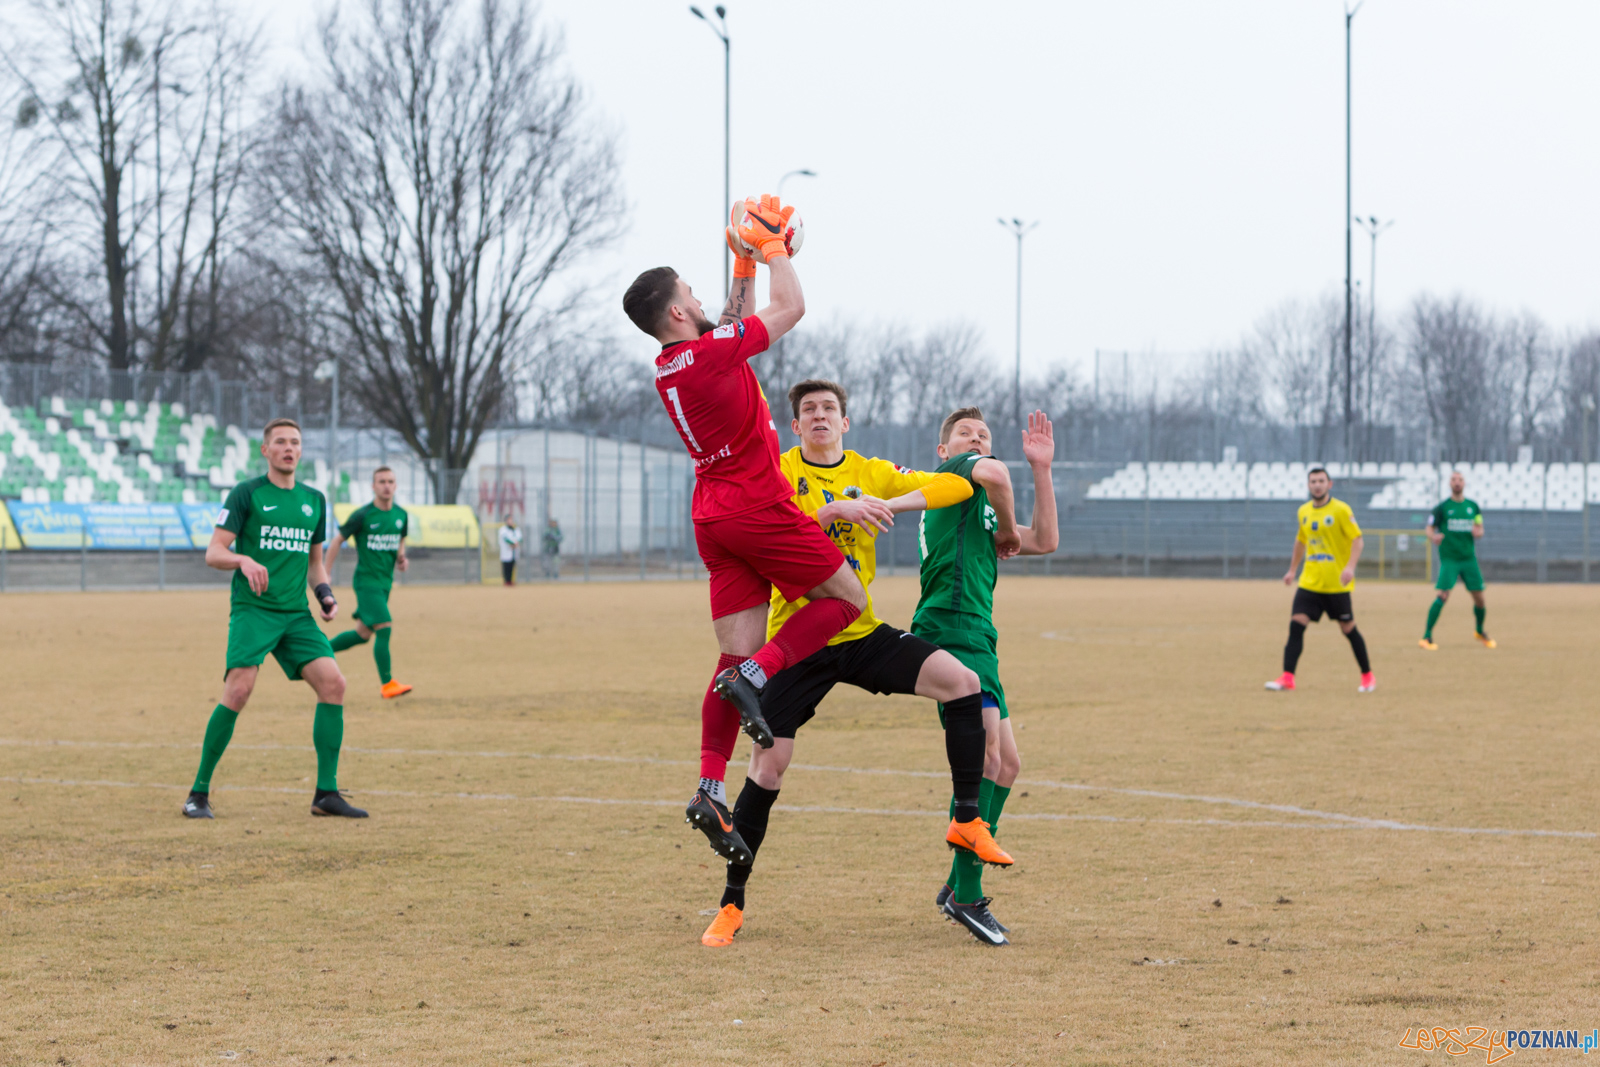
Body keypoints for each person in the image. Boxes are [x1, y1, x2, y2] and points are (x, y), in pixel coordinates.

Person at [627, 195, 929, 868]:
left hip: (712, 513)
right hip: (757, 503)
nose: (702, 299)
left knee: (730, 656)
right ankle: (761, 673)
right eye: (691, 293)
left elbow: (729, 323)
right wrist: (773, 248)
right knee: (847, 600)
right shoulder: (706, 359)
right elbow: (789, 308)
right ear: (677, 312)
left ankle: (709, 785)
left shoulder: (677, 362)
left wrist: (739, 261)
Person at [700, 381, 1012, 950]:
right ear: (795, 426)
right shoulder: (777, 472)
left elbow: (946, 483)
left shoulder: (871, 470)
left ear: (846, 421)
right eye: (809, 411)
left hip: (860, 632)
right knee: (768, 770)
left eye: (829, 409)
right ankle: (730, 903)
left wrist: (892, 501)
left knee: (963, 685)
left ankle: (966, 818)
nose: (820, 416)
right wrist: (831, 511)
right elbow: (768, 535)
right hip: (796, 642)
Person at [913, 407, 1058, 945]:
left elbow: (1044, 540)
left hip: (978, 634)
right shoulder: (952, 481)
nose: (977, 441)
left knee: (1008, 763)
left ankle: (956, 884)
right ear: (944, 451)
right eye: (966, 436)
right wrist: (1001, 488)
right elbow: (995, 475)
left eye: (985, 436)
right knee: (988, 757)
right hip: (950, 627)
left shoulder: (981, 506)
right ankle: (968, 898)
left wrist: (1040, 468)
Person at [182, 418, 365, 820]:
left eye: (295, 442)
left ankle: (326, 793)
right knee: (239, 691)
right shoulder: (247, 494)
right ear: (265, 450)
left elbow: (315, 564)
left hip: (295, 615)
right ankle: (198, 792)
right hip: (254, 610)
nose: (288, 448)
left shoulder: (314, 500)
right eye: (280, 442)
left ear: (301, 451)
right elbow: (213, 552)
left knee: (334, 683)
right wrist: (243, 558)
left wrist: (325, 594)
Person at [1265, 466, 1375, 693]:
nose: (1317, 485)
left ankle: (1367, 676)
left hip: (1337, 584)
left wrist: (1350, 568)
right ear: (1308, 485)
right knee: (1296, 625)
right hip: (1310, 582)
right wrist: (1292, 570)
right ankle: (1288, 677)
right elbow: (1300, 541)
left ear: (1329, 484)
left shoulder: (1341, 510)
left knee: (1348, 629)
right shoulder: (1303, 511)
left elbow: (1358, 540)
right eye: (1313, 481)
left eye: (1321, 481)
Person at [325, 466, 413, 699]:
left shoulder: (401, 515)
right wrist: (325, 573)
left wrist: (401, 558)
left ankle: (318, 651)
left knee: (363, 634)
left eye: (390, 481)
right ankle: (388, 684)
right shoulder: (362, 515)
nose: (386, 485)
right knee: (384, 626)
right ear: (373, 486)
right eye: (381, 481)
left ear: (396, 486)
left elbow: (400, 539)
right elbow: (336, 541)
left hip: (385, 583)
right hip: (366, 582)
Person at [1420, 470, 1493, 650]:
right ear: (1449, 484)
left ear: (1464, 483)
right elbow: (1429, 529)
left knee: (1480, 599)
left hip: (1469, 559)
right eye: (1454, 479)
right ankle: (1426, 636)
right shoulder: (1442, 508)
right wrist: (1433, 537)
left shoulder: (1473, 507)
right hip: (1450, 560)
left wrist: (1479, 532)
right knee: (1443, 595)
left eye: (1460, 479)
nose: (1457, 482)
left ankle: (1479, 631)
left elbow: (1480, 528)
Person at [498, 515, 522, 586]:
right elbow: (505, 539)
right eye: (509, 520)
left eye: (511, 520)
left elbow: (519, 538)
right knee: (506, 566)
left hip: (514, 551)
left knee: (512, 566)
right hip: (506, 551)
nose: (511, 521)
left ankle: (511, 580)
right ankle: (506, 581)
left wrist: (515, 544)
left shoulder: (516, 529)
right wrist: (513, 543)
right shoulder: (503, 529)